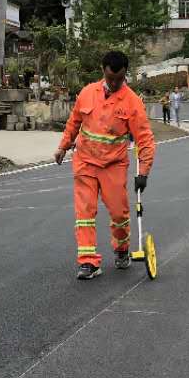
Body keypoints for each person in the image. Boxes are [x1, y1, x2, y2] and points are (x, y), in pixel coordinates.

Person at [54, 51, 156, 280]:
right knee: (84, 213)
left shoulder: (132, 102)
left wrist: (143, 173)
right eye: (110, 78)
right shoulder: (88, 93)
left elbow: (145, 140)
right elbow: (74, 123)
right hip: (85, 162)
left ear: (125, 75)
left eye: (119, 79)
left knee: (120, 214)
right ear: (103, 71)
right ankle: (88, 262)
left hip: (114, 165)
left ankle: (121, 250)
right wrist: (63, 146)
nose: (114, 83)